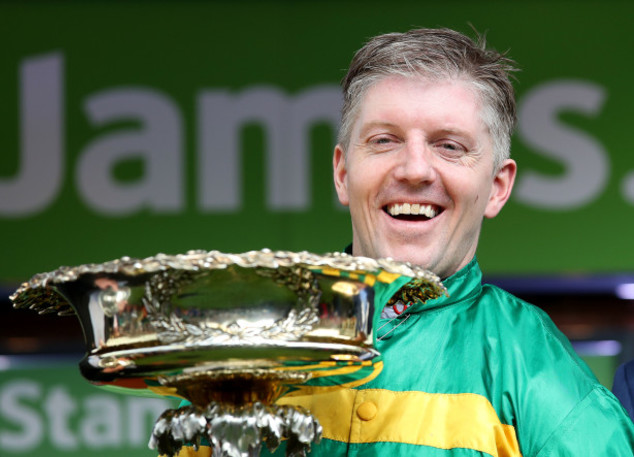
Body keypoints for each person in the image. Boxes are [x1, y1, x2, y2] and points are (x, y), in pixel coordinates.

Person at [173, 27, 634, 456]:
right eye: (385, 140)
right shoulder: (257, 340)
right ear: (342, 172)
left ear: (497, 186)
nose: (414, 169)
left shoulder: (533, 363)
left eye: (449, 145)